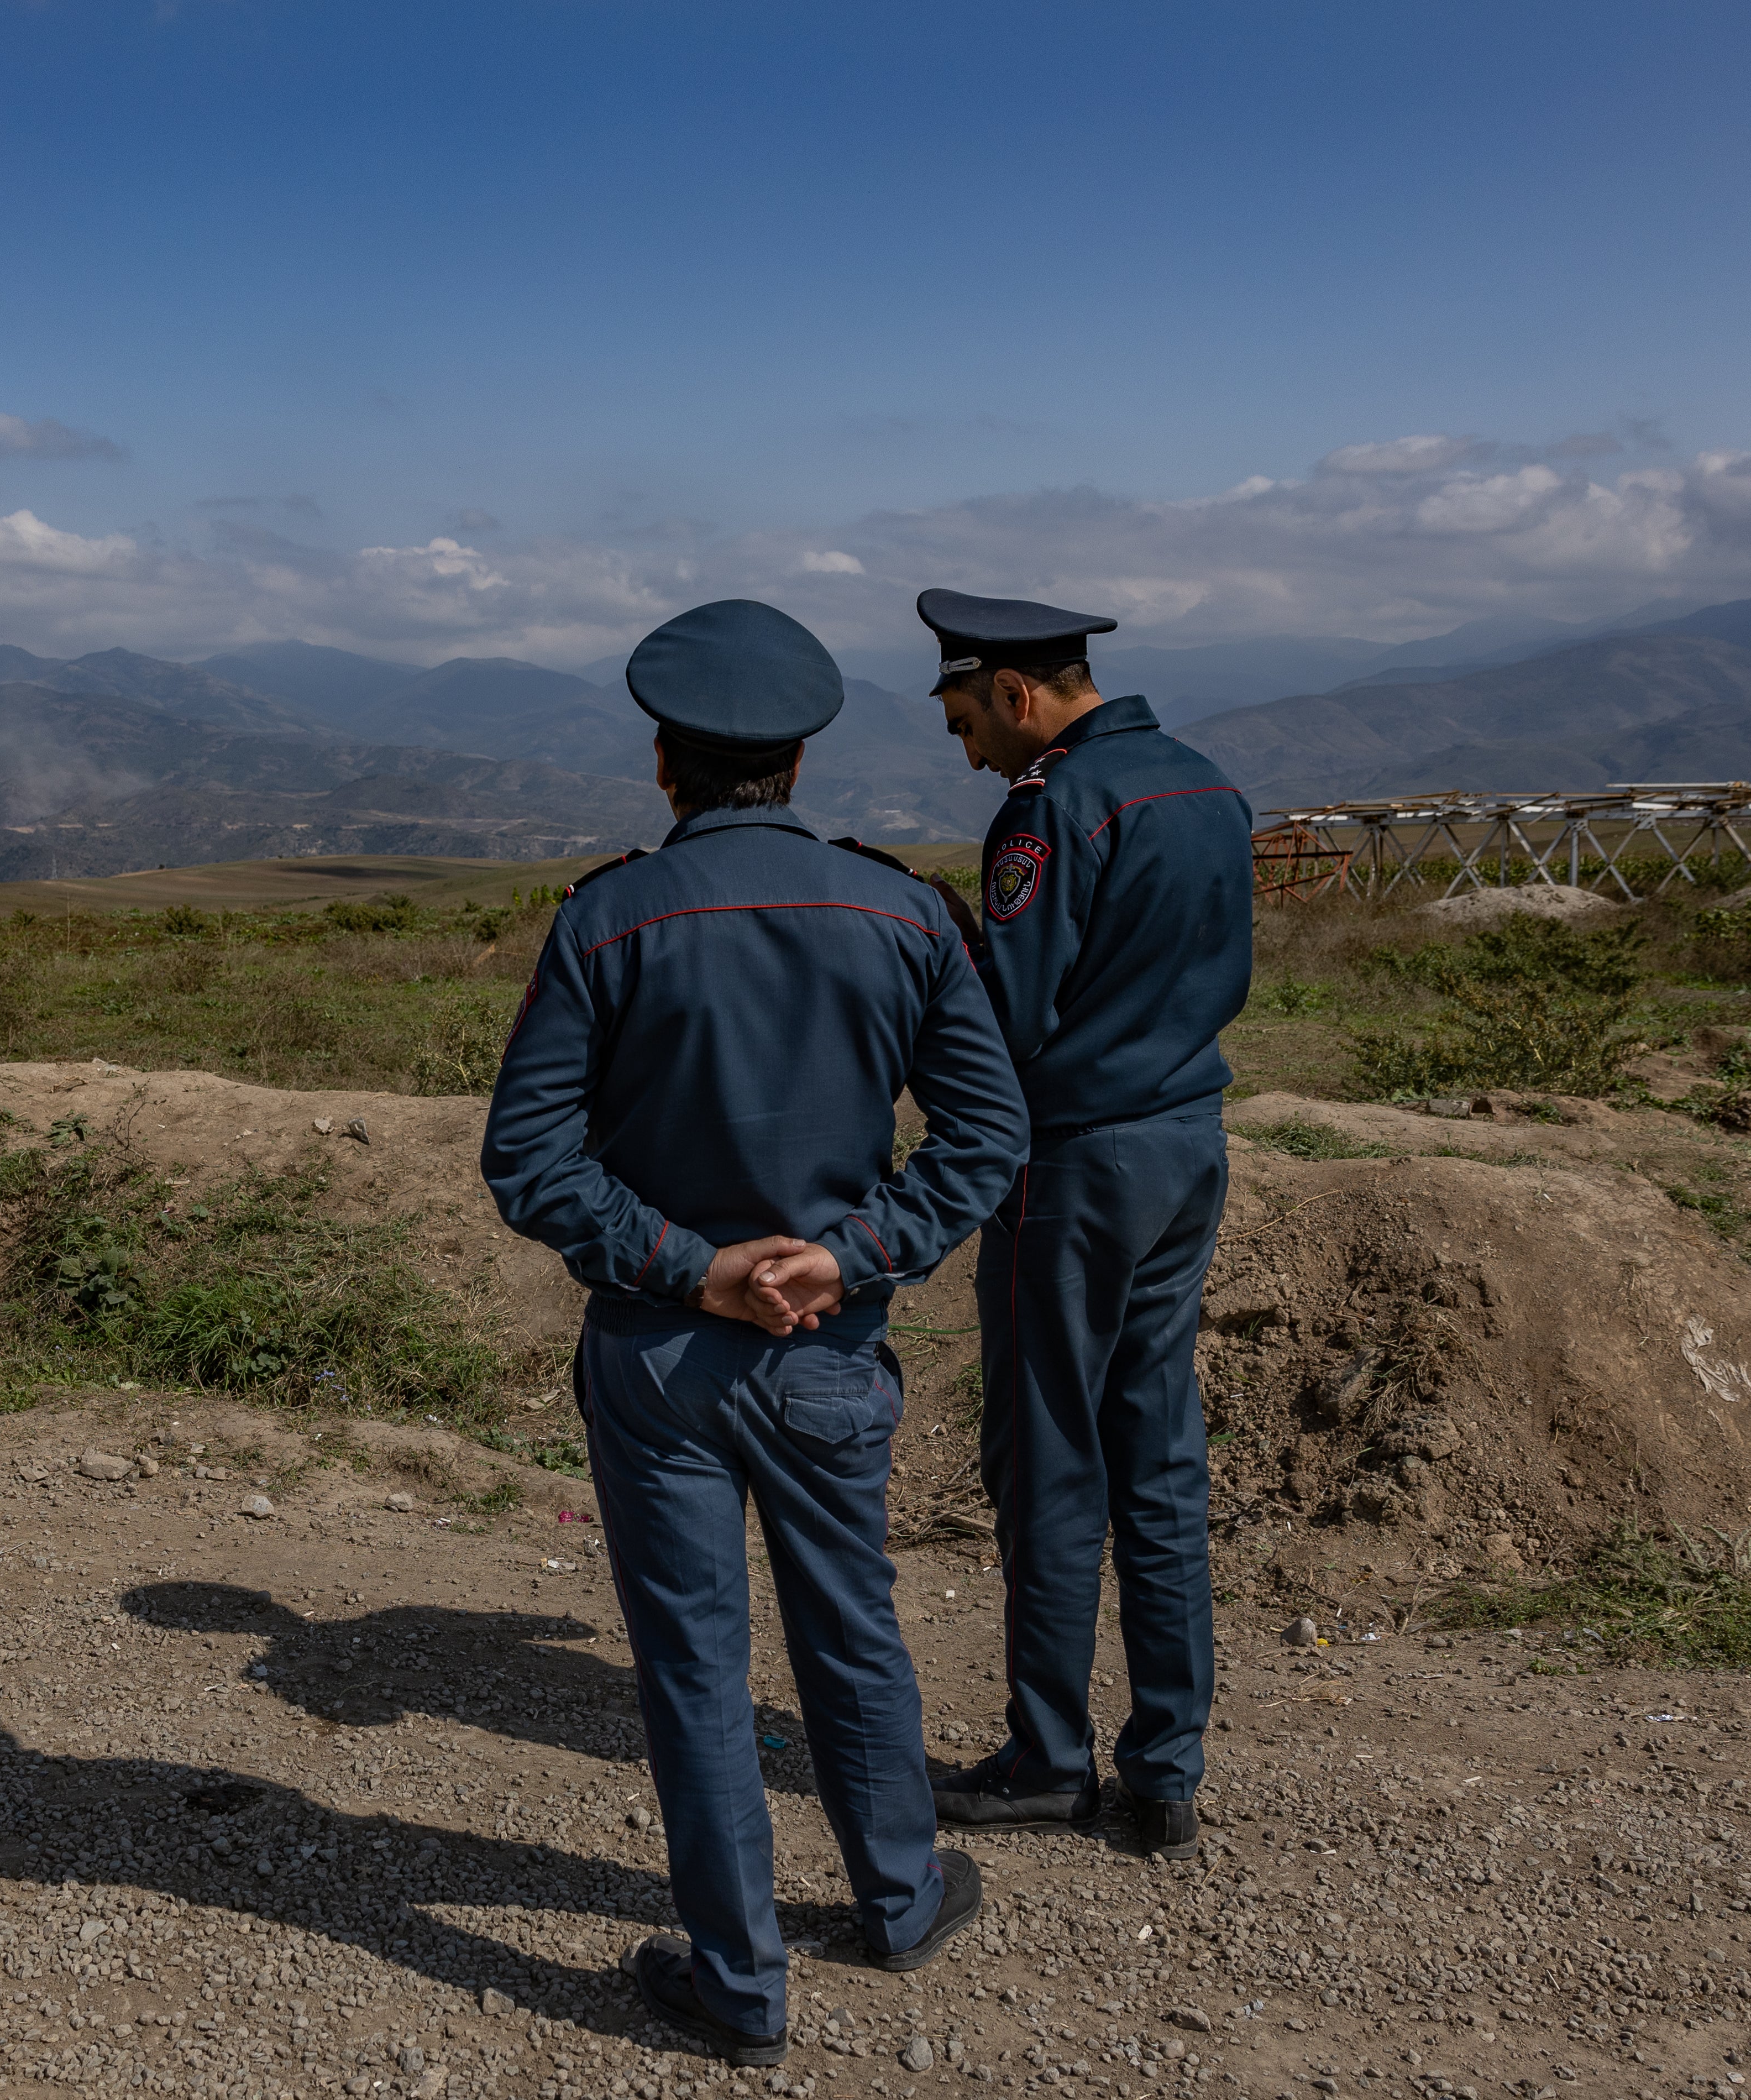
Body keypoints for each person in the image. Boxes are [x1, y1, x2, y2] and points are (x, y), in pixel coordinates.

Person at [480, 598, 1031, 2066]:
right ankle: (901, 1900)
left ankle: (739, 1983)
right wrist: (844, 1258)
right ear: (797, 763)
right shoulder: (904, 912)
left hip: (659, 1356)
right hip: (827, 1354)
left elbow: (527, 1161)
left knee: (694, 1667)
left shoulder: (606, 918)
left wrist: (690, 1267)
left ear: (666, 765)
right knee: (853, 1633)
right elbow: (988, 1136)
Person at [906, 586, 1254, 1863]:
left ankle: (1047, 1758)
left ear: (1012, 692)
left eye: (962, 721)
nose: (965, 750)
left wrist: (940, 943)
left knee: (1048, 1456)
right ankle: (1164, 1767)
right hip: (1185, 1146)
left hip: (1073, 1166)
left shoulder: (1050, 808)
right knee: (1156, 1457)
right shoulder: (1206, 785)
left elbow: (1009, 1017)